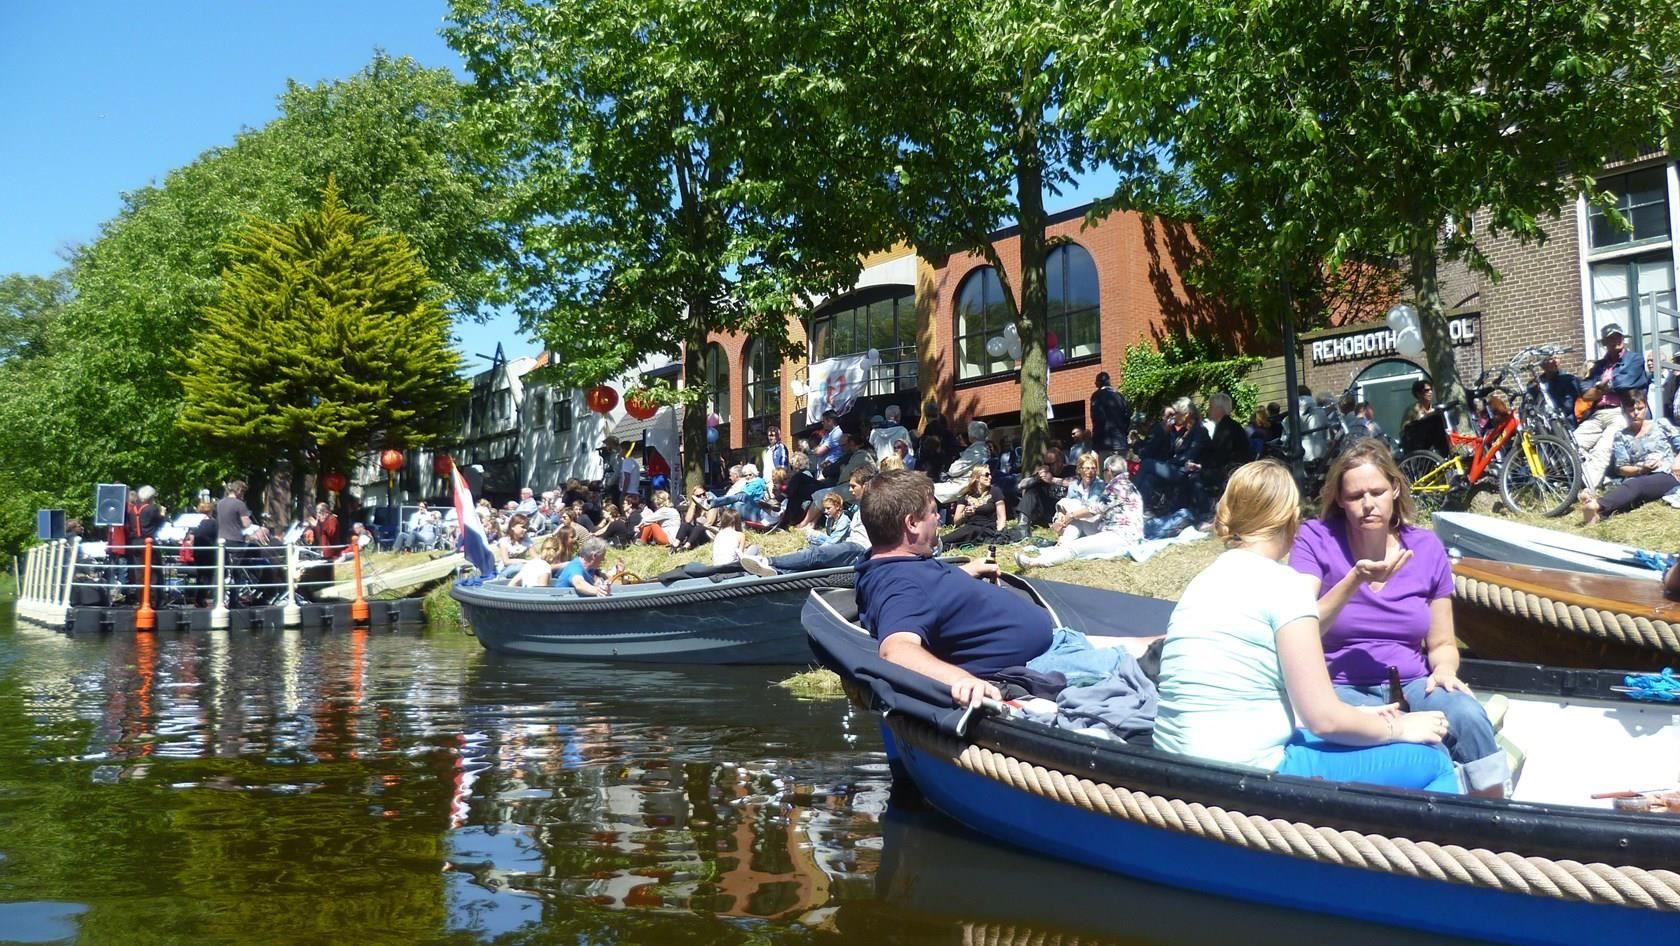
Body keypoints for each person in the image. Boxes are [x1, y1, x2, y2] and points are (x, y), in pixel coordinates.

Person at [1153, 460, 1460, 793]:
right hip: (1247, 770)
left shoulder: (1202, 581)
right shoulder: (1285, 587)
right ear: (1291, 520)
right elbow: (1322, 719)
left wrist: (1363, 715)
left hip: (1175, 763)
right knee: (1434, 761)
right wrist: (1398, 729)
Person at [1289, 439, 1505, 795]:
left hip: (1413, 682)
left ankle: (1496, 818)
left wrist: (1446, 671)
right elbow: (1301, 624)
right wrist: (1354, 579)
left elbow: (1441, 643)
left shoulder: (1426, 546)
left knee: (1467, 716)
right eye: (1356, 496)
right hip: (1341, 689)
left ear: (1395, 489)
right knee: (1414, 742)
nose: (1368, 504)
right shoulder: (1316, 539)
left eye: (1376, 491)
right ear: (1340, 500)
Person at [852, 469, 1044, 706]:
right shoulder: (900, 585)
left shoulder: (892, 563)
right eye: (933, 512)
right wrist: (961, 679)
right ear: (911, 523)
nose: (939, 519)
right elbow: (895, 649)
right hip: (1039, 663)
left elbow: (928, 594)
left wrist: (964, 573)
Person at [1016, 455, 1145, 569]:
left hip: (1120, 537)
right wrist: (1067, 517)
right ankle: (1061, 546)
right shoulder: (1126, 484)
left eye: (1101, 470)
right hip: (1116, 532)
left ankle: (1034, 563)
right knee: (1074, 514)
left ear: (1109, 471)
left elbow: (1094, 510)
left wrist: (1069, 516)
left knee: (1075, 547)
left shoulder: (1116, 487)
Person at [741, 467, 875, 575]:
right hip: (850, 545)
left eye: (853, 486)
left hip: (859, 549)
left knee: (816, 554)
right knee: (812, 553)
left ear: (866, 485)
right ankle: (777, 572)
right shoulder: (859, 507)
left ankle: (766, 561)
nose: (850, 490)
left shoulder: (873, 507)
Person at [1580, 395, 1680, 524]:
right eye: (1631, 409)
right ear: (1624, 411)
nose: (1636, 413)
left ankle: (1598, 504)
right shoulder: (1621, 436)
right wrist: (1641, 469)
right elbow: (1621, 468)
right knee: (1632, 493)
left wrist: (1676, 464)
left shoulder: (1661, 424)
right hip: (1640, 475)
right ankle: (1598, 515)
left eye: (1640, 408)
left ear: (1646, 408)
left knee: (1635, 486)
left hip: (1666, 473)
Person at [1577, 323, 1653, 489]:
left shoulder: (1634, 359)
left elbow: (1626, 382)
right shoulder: (1598, 366)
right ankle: (1583, 480)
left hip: (1621, 411)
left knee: (1602, 448)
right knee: (1573, 443)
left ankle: (1586, 490)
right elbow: (1585, 392)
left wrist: (1600, 387)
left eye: (1618, 337)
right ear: (1604, 343)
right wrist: (1600, 386)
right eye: (1611, 338)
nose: (1616, 341)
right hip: (1597, 414)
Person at [1050, 452, 1105, 540]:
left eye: (1093, 468)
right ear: (1080, 470)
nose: (1090, 472)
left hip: (1094, 525)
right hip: (1079, 523)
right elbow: (1066, 507)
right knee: (1067, 503)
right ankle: (1064, 542)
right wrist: (1059, 519)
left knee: (1072, 507)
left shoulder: (1100, 485)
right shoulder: (1074, 486)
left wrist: (1071, 515)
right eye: (1087, 468)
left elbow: (1092, 510)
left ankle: (1065, 541)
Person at [933, 421, 991, 504]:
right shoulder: (985, 449)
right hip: (970, 482)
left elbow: (953, 471)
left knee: (929, 489)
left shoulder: (974, 452)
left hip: (963, 485)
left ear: (971, 435)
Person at [947, 466, 1007, 532]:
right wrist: (965, 514)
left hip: (989, 528)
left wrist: (999, 534)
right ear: (977, 477)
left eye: (990, 475)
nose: (990, 477)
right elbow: (956, 521)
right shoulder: (966, 495)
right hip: (970, 528)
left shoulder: (995, 491)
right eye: (987, 475)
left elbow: (1002, 517)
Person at [1399, 380, 1451, 456]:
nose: (1430, 392)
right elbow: (1406, 429)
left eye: (1431, 390)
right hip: (1416, 441)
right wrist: (1426, 416)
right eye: (1426, 390)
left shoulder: (1434, 407)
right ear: (1418, 394)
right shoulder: (1412, 409)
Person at [1090, 372, 1131, 459]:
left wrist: (1095, 443)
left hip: (1104, 442)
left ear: (1098, 383)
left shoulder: (1096, 396)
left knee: (1106, 470)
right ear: (1109, 381)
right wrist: (1123, 432)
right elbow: (1127, 417)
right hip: (1120, 441)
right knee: (1121, 470)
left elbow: (1095, 418)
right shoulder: (1120, 396)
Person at [1538, 354, 1582, 426]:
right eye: (1551, 359)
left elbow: (1569, 406)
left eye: (1557, 358)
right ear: (1542, 364)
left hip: (1568, 423)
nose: (1555, 361)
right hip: (1547, 425)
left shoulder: (1568, 380)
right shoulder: (1537, 384)